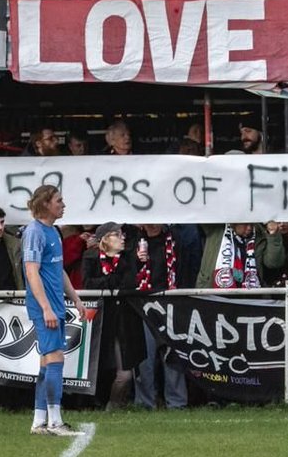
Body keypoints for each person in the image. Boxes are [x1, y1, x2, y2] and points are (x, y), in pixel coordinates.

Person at [21, 185, 87, 436]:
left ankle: (39, 421)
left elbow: (58, 270)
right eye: (59, 200)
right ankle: (56, 422)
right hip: (45, 307)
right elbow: (31, 271)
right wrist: (46, 307)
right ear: (46, 204)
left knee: (47, 363)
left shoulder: (53, 231)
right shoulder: (34, 232)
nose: (63, 204)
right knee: (55, 360)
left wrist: (76, 299)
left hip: (55, 306)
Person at [81, 222, 144, 410]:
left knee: (125, 372)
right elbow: (88, 284)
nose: (123, 238)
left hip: (123, 322)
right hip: (100, 322)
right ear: (106, 239)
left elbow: (129, 283)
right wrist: (111, 281)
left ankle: (114, 405)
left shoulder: (127, 259)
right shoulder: (91, 257)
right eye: (118, 234)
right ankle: (96, 404)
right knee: (100, 367)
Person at [131, 223, 185, 410]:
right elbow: (125, 273)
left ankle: (176, 403)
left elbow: (186, 268)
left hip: (171, 304)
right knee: (145, 357)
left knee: (173, 355)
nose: (153, 225)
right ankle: (145, 403)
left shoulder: (176, 239)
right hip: (142, 306)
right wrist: (135, 260)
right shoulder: (133, 241)